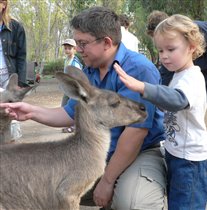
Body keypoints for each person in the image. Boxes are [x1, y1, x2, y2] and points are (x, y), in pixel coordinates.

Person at [0, 6, 166, 210]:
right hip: (96, 153)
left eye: (83, 43)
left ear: (106, 42)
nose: (78, 49)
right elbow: (68, 113)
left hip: (137, 152)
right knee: (38, 185)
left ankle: (122, 190)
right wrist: (30, 111)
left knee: (132, 203)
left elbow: (135, 134)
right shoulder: (90, 70)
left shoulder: (138, 69)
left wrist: (106, 182)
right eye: (77, 43)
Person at [115, 14, 207, 210]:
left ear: (191, 46)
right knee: (176, 201)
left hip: (191, 161)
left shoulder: (192, 77)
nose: (164, 56)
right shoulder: (179, 74)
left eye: (171, 49)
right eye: (160, 50)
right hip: (176, 153)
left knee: (186, 205)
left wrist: (143, 87)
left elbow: (177, 100)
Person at [146, 10, 207, 159]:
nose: (164, 53)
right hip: (198, 72)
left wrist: (191, 67)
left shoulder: (197, 29)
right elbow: (165, 75)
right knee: (194, 109)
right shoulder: (178, 55)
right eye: (161, 49)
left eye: (169, 48)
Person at [0, 0, 27, 141]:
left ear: (3, 4)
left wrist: (20, 83)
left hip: (9, 78)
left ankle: (10, 151)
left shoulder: (15, 27)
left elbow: (21, 56)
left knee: (11, 115)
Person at [61, 38, 83, 133]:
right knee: (64, 105)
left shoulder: (75, 63)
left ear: (75, 49)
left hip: (73, 88)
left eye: (69, 48)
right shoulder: (67, 59)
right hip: (67, 88)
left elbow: (78, 76)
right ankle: (68, 124)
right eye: (65, 48)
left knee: (72, 107)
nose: (67, 50)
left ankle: (73, 126)